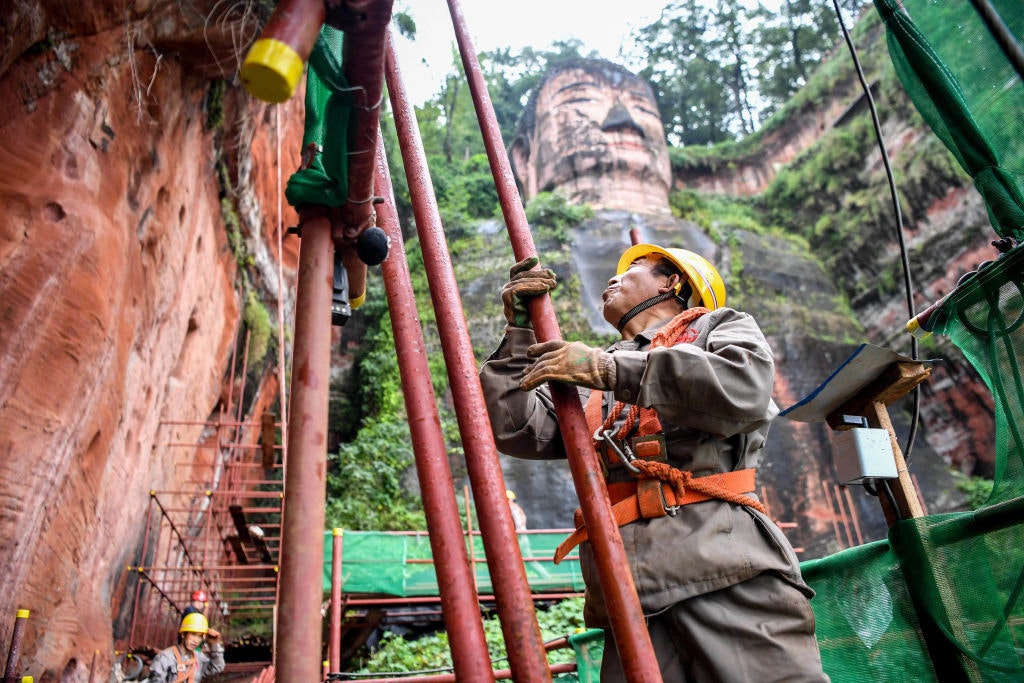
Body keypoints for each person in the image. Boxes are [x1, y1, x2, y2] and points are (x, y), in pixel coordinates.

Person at [479, 245, 827, 681]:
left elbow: (744, 388)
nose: (614, 278)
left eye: (635, 269)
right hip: (627, 592)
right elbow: (515, 429)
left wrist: (614, 370)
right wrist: (518, 334)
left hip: (723, 567)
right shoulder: (588, 375)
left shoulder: (716, 328)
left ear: (672, 282)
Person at [147, 612, 225, 682]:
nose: (196, 640)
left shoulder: (198, 658)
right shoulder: (166, 657)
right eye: (193, 634)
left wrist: (214, 645)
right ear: (183, 634)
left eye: (200, 636)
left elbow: (217, 667)